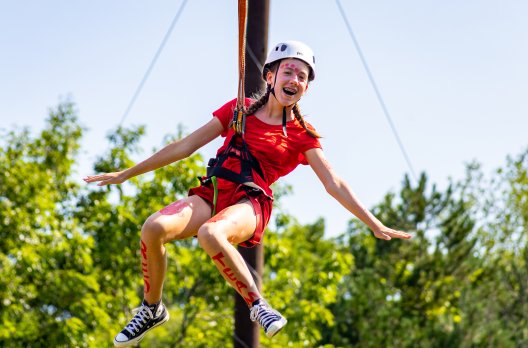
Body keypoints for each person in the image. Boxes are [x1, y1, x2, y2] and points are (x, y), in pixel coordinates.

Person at [84, 40, 412, 347]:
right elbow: (185, 146)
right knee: (153, 228)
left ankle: (257, 304)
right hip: (213, 192)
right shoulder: (238, 110)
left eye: (302, 77)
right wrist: (127, 173)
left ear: (306, 88)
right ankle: (152, 308)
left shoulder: (302, 136)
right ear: (270, 76)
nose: (294, 79)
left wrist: (372, 222)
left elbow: (333, 182)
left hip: (249, 203)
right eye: (288, 71)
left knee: (211, 233)